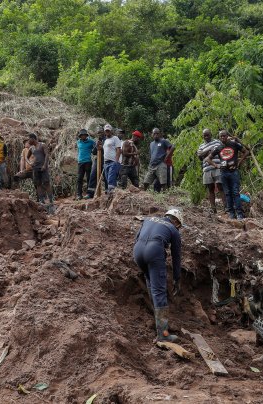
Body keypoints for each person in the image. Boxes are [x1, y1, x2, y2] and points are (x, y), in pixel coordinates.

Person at [133, 208, 183, 343]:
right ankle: (163, 334)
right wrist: (177, 278)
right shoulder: (173, 229)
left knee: (151, 284)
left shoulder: (148, 219)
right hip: (154, 251)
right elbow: (176, 257)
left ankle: (155, 317)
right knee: (159, 291)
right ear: (177, 222)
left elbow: (137, 237)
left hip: (137, 251)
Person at [205, 130, 250, 219]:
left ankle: (239, 213)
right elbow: (208, 159)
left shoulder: (234, 144)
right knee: (227, 193)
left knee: (235, 192)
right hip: (223, 173)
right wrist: (216, 165)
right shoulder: (218, 147)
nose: (222, 138)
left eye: (224, 136)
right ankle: (231, 214)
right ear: (219, 137)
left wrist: (239, 162)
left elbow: (246, 152)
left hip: (233, 172)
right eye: (221, 136)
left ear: (227, 136)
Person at [196, 128, 224, 213]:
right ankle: (213, 209)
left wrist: (206, 153)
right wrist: (209, 150)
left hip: (217, 167)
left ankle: (226, 208)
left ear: (211, 134)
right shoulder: (201, 146)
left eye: (207, 135)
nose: (206, 136)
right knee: (210, 189)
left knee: (220, 187)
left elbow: (221, 151)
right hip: (207, 169)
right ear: (203, 136)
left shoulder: (217, 142)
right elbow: (200, 156)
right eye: (204, 135)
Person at [27, 133, 54, 208]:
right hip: (35, 168)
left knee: (46, 183)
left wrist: (45, 165)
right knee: (38, 184)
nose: (28, 141)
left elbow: (47, 155)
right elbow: (26, 157)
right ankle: (42, 201)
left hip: (43, 167)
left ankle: (51, 201)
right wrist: (30, 163)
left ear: (33, 138)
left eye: (29, 139)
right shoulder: (31, 148)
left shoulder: (42, 145)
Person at [88, 124, 110, 197]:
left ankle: (108, 192)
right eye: (98, 133)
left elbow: (109, 150)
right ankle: (90, 193)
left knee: (106, 176)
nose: (99, 134)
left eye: (100, 132)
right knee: (93, 175)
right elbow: (94, 152)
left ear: (103, 132)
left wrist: (102, 147)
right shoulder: (97, 140)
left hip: (105, 159)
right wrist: (96, 147)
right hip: (97, 160)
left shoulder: (107, 140)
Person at [102, 126, 123, 193]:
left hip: (113, 162)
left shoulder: (115, 138)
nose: (107, 132)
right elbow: (105, 150)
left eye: (108, 130)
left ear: (111, 131)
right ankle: (113, 194)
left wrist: (116, 161)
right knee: (108, 180)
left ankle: (111, 193)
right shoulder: (105, 140)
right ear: (104, 131)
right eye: (106, 131)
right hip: (106, 162)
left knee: (111, 179)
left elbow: (118, 150)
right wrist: (99, 146)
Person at [76, 129, 95, 199]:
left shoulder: (91, 142)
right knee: (79, 178)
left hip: (88, 162)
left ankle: (89, 194)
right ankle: (79, 195)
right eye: (82, 135)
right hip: (80, 162)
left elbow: (96, 148)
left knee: (88, 178)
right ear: (80, 136)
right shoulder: (78, 142)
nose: (83, 136)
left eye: (84, 135)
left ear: (86, 135)